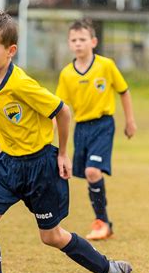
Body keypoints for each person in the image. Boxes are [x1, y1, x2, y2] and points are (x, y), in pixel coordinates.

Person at [0, 11, 132, 273]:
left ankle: (112, 271)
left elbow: (62, 111)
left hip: (40, 166)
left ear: (10, 51)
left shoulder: (22, 84)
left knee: (51, 236)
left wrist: (63, 154)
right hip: (8, 167)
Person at [56, 19, 137, 241]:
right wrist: (49, 133)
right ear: (69, 44)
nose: (78, 44)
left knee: (93, 171)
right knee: (86, 175)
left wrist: (130, 121)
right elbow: (60, 108)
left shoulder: (106, 66)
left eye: (82, 39)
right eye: (74, 40)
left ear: (93, 41)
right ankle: (104, 223)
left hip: (103, 124)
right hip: (81, 128)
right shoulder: (67, 74)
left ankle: (101, 222)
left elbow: (124, 91)